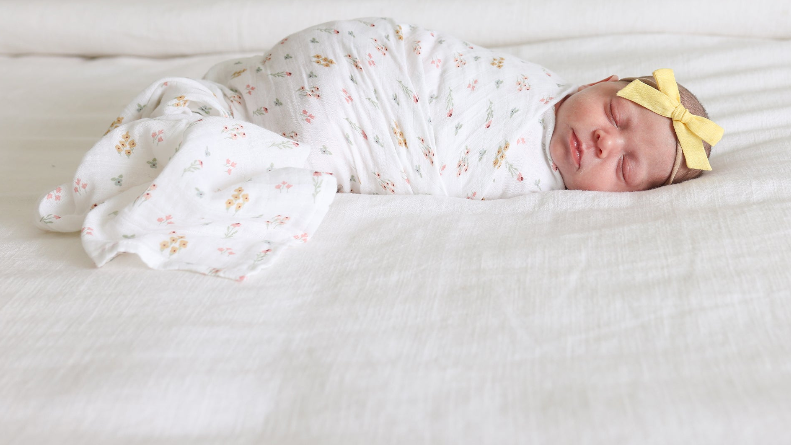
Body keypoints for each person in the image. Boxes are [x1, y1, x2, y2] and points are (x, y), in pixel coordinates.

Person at [36, 18, 723, 280]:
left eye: (625, 164)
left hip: (334, 94)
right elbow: (433, 65)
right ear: (600, 81)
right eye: (614, 113)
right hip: (353, 66)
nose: (603, 139)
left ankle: (233, 125)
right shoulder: (529, 84)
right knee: (300, 156)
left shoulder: (537, 193)